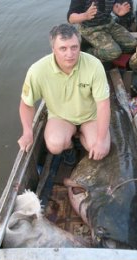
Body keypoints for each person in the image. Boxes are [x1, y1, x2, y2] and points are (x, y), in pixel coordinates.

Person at [18, 24, 111, 161]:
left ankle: (83, 137)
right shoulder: (37, 70)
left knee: (101, 148)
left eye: (74, 47)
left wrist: (101, 141)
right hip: (61, 117)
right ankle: (70, 146)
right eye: (63, 48)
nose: (70, 54)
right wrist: (27, 132)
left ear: (80, 46)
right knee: (54, 145)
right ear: (53, 49)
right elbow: (26, 104)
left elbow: (103, 105)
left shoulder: (94, 65)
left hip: (91, 116)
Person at [67, 0, 137, 62]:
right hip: (90, 28)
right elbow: (71, 18)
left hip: (109, 23)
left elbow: (114, 7)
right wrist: (85, 15)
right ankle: (86, 52)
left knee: (132, 44)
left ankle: (109, 52)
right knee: (114, 53)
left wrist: (119, 12)